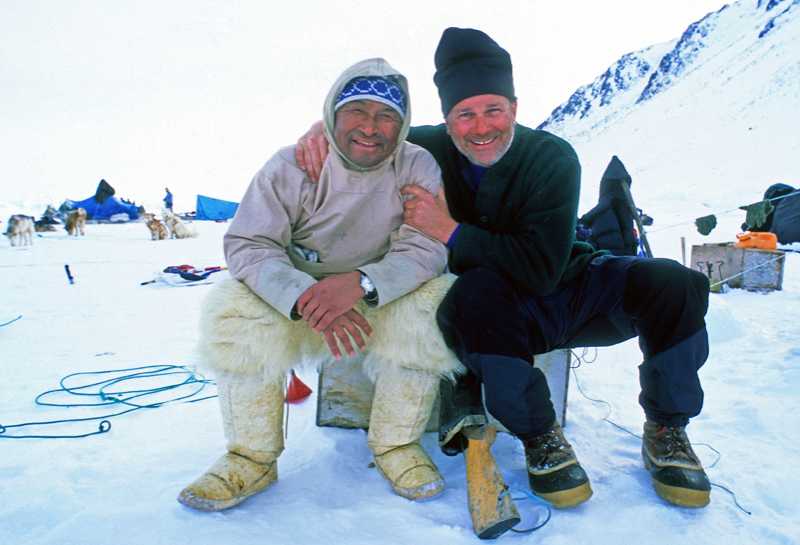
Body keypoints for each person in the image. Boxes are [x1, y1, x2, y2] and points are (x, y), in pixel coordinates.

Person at [296, 28, 713, 510]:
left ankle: (666, 429)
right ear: (447, 120)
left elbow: (540, 271)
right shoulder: (427, 147)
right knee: (477, 293)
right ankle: (540, 436)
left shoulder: (552, 157)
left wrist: (449, 230)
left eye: (493, 110)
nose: (481, 127)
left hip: (568, 290)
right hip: (495, 318)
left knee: (674, 284)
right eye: (465, 114)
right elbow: (370, 134)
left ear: (514, 107)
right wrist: (322, 130)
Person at [177, 58, 462, 512]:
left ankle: (396, 444)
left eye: (386, 115)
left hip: (375, 298)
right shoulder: (290, 164)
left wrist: (363, 284)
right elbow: (250, 243)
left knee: (434, 304)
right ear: (332, 113)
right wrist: (306, 297)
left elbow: (425, 247)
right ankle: (251, 457)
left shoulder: (416, 164)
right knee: (233, 309)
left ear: (403, 122)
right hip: (297, 300)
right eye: (357, 111)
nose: (370, 127)